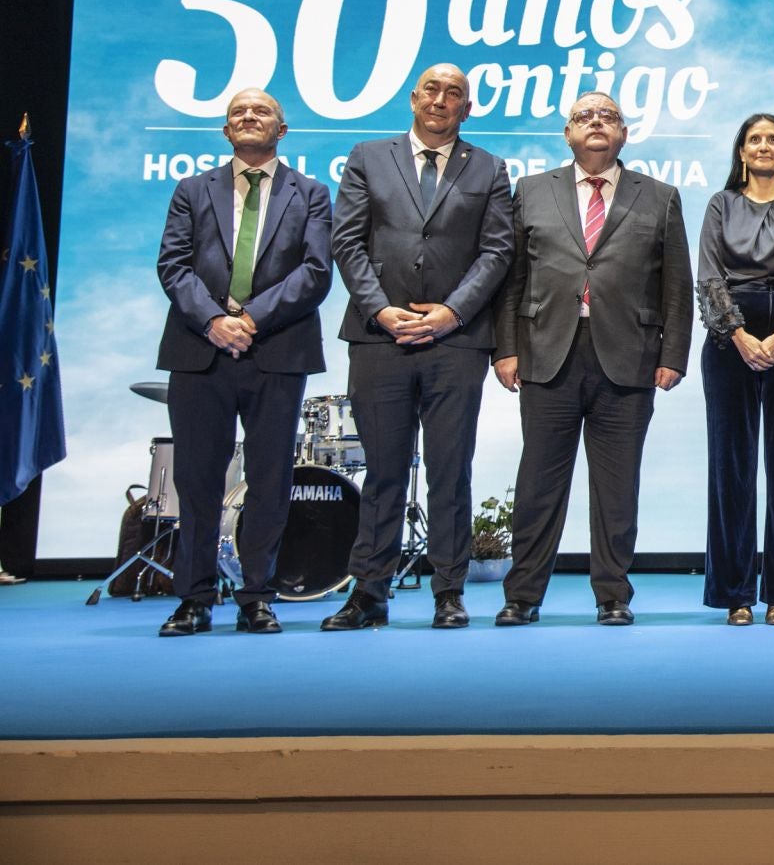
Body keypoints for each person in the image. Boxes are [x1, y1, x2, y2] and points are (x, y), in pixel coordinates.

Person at [320, 63, 512, 633]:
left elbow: (497, 252)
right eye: (432, 89)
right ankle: (369, 592)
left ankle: (448, 591)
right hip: (380, 338)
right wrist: (381, 309)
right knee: (382, 472)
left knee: (450, 471)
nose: (441, 100)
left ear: (466, 108)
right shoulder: (367, 157)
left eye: (454, 93)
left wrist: (452, 313)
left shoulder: (490, 168)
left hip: (456, 342)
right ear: (413, 99)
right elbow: (346, 240)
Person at [489, 92, 692, 627]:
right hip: (546, 353)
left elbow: (677, 284)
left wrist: (673, 352)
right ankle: (523, 596)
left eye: (608, 117)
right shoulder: (532, 191)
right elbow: (512, 279)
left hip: (629, 357)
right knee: (537, 484)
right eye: (584, 117)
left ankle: (613, 595)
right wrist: (505, 347)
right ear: (568, 133)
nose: (596, 123)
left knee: (617, 487)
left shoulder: (661, 196)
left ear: (624, 133)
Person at [153, 88, 332, 636]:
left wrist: (250, 319)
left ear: (282, 131)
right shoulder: (191, 189)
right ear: (226, 131)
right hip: (199, 351)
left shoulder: (312, 193)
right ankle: (195, 598)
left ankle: (257, 596)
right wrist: (212, 322)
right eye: (238, 113)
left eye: (261, 112)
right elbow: (173, 265)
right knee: (198, 481)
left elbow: (315, 271)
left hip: (276, 352)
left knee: (270, 480)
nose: (248, 117)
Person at [696, 113, 774, 626]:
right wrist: (740, 335)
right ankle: (735, 593)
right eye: (755, 139)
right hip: (731, 340)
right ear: (742, 152)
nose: (765, 146)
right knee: (732, 467)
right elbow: (708, 277)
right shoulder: (720, 204)